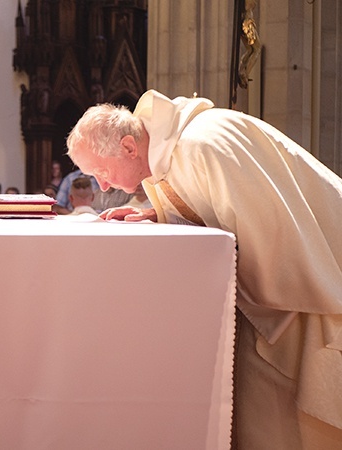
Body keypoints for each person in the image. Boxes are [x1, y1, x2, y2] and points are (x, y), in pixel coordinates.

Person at [66, 89, 342, 448]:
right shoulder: (171, 151)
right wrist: (157, 212)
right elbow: (215, 206)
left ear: (130, 147)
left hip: (299, 299)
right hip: (266, 299)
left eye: (102, 171)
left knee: (283, 405)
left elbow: (274, 236)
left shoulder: (203, 146)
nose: (103, 185)